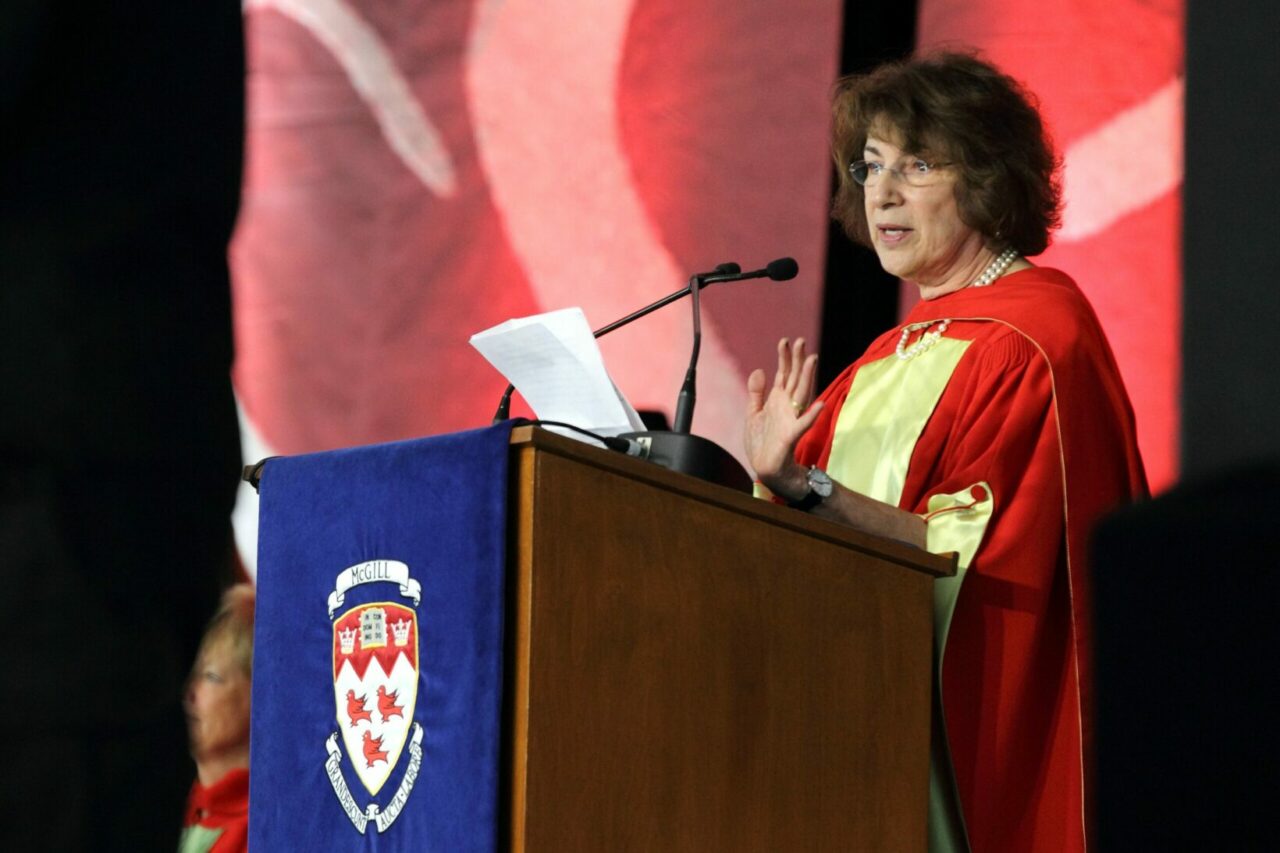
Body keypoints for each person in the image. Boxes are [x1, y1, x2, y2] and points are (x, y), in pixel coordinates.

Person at [744, 52, 1147, 852]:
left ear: (989, 179)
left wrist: (808, 487)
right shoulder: (878, 362)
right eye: (871, 167)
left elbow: (974, 553)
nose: (882, 193)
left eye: (917, 165)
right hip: (848, 741)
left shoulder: (1035, 341)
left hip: (950, 763)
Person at [180, 584, 255, 853]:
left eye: (210, 677)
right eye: (188, 673)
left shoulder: (269, 826)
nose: (189, 693)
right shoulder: (155, 808)